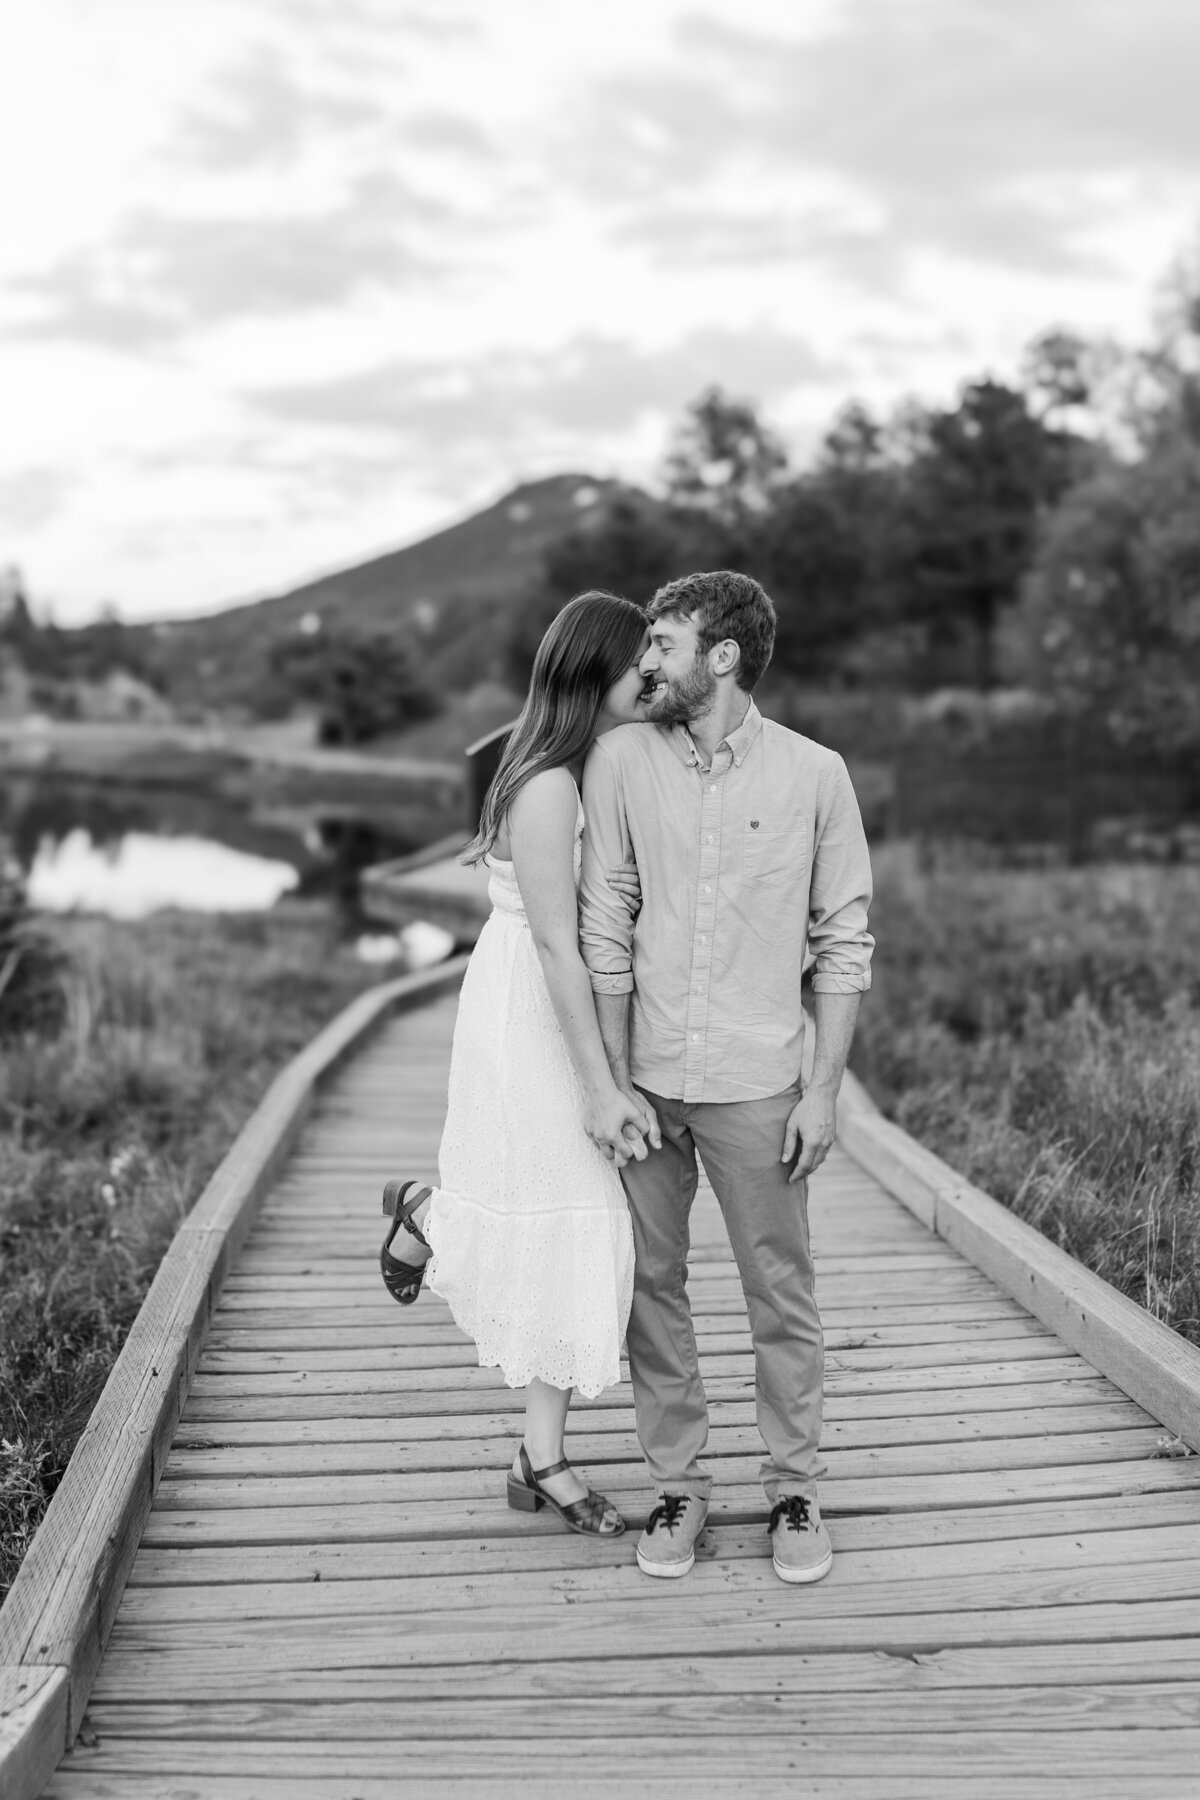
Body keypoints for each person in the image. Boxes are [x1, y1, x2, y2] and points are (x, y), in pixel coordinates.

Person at [578, 570, 874, 1583]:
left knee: (778, 1291)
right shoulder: (618, 760)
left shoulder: (815, 775)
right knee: (651, 1287)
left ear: (725, 657)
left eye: (663, 643)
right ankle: (681, 1488)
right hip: (650, 1080)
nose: (645, 661)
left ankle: (793, 1487)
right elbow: (604, 922)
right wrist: (612, 1082)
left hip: (762, 1083)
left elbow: (842, 942)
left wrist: (825, 1090)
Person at [379, 591, 661, 1539]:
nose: (653, 680)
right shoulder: (546, 785)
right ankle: (427, 1212)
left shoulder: (579, 762)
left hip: (556, 1002)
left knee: (572, 1221)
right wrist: (601, 1086)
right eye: (640, 666)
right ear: (595, 674)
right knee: (563, 1209)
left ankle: (537, 1458)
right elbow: (554, 945)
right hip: (536, 1013)